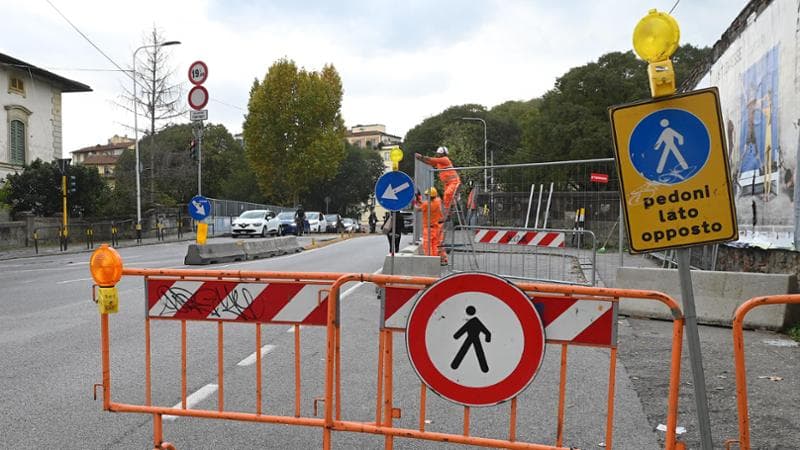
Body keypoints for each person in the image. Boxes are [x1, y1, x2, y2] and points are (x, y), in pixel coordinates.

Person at [415, 146, 461, 217]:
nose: (438, 155)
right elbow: (429, 162)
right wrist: (421, 159)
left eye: (439, 154)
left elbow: (432, 159)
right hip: (447, 183)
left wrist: (421, 156)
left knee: (447, 194)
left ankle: (448, 212)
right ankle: (449, 211)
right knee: (447, 197)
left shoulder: (445, 159)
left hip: (454, 182)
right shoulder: (440, 163)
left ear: (444, 154)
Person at [414, 187, 444, 262]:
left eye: (427, 195)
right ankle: (438, 260)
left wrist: (414, 202)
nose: (426, 196)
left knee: (428, 246)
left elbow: (417, 209)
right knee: (435, 245)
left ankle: (430, 260)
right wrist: (419, 199)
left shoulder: (426, 205)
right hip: (437, 228)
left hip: (428, 229)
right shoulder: (438, 201)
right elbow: (424, 203)